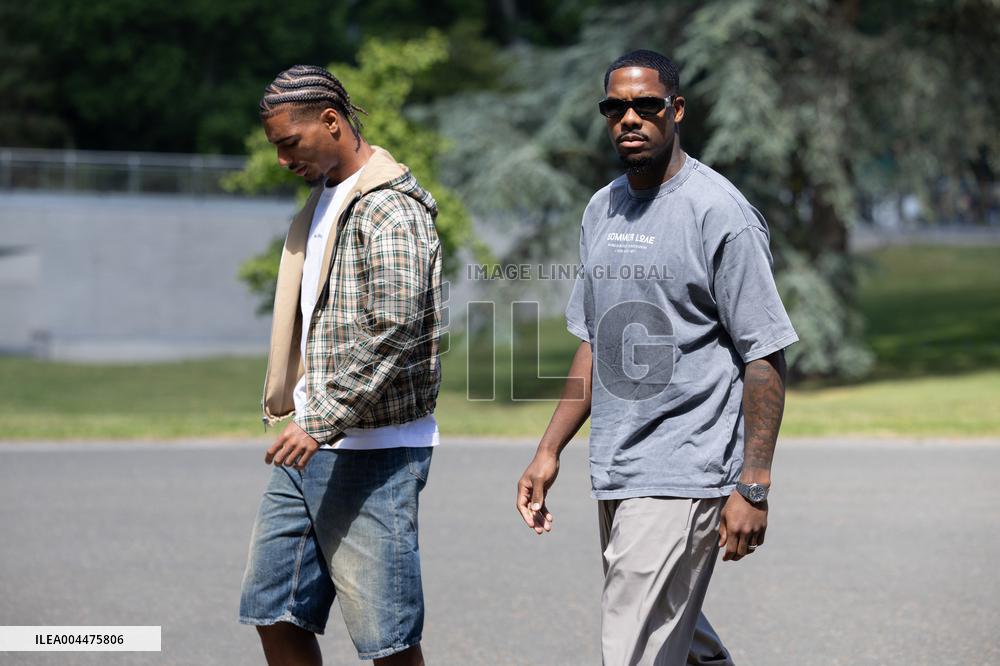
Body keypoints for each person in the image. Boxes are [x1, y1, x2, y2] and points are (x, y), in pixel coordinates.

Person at [515, 49, 799, 665]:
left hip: (684, 470)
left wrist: (754, 483)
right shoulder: (603, 209)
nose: (630, 119)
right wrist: (547, 450)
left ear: (676, 110)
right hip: (617, 465)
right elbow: (597, 340)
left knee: (633, 651)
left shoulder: (719, 213)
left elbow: (764, 354)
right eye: (615, 108)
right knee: (677, 641)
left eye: (646, 106)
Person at [239, 65, 443, 666]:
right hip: (310, 443)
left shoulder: (389, 208)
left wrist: (319, 418)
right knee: (272, 609)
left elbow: (395, 324)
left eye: (289, 143)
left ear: (331, 122)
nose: (282, 160)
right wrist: (309, 417)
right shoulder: (325, 201)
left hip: (374, 451)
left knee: (387, 640)